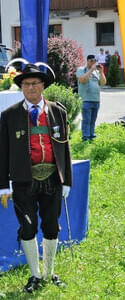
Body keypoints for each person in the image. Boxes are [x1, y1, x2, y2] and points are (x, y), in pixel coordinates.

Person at [0, 63, 72, 292]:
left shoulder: (57, 111)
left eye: (35, 83)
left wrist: (67, 179)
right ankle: (35, 275)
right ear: (21, 87)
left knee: (51, 225)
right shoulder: (8, 116)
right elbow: (2, 153)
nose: (31, 87)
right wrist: (3, 185)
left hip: (52, 178)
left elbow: (65, 148)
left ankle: (50, 272)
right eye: (26, 84)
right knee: (28, 228)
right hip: (23, 181)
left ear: (43, 86)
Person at [76, 54, 107, 141]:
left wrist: (101, 72)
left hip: (96, 100)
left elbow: (103, 83)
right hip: (86, 99)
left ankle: (91, 135)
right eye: (91, 61)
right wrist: (91, 70)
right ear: (87, 61)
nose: (93, 63)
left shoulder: (97, 72)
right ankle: (85, 137)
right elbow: (82, 80)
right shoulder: (81, 69)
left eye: (94, 61)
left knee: (93, 120)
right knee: (86, 120)